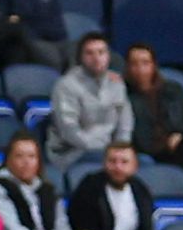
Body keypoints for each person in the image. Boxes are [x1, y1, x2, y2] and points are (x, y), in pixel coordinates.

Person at [67, 139, 162, 230]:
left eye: (124, 162)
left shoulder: (140, 190)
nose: (118, 167)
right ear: (104, 164)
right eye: (112, 161)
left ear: (135, 166)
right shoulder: (90, 187)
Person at [46, 32, 128, 184]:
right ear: (81, 58)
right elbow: (69, 131)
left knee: (142, 163)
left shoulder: (116, 83)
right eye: (90, 53)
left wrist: (121, 151)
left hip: (108, 153)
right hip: (72, 152)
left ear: (108, 56)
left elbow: (125, 124)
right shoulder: (65, 86)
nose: (96, 58)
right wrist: (105, 151)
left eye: (101, 52)